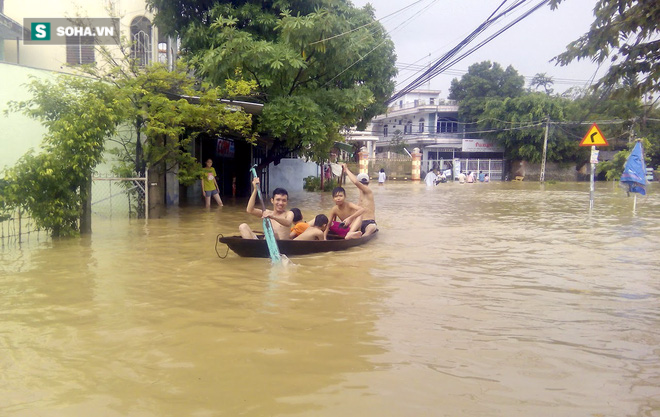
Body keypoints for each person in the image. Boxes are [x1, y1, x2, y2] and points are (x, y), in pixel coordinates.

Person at [341, 164, 378, 237]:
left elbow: (355, 182)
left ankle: (363, 237)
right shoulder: (359, 197)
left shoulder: (369, 191)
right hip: (359, 222)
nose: (364, 186)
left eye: (365, 184)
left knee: (372, 227)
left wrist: (346, 169)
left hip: (369, 222)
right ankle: (353, 234)